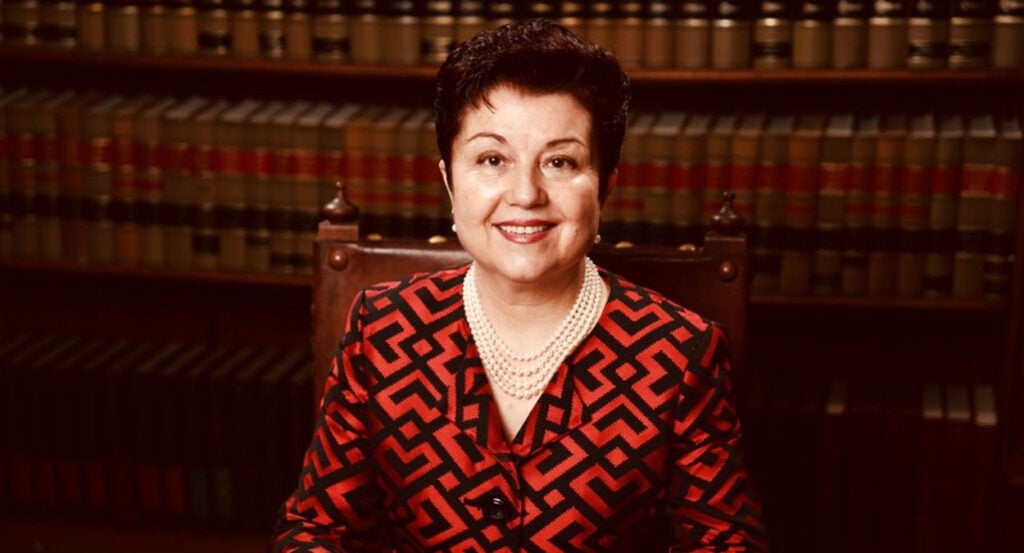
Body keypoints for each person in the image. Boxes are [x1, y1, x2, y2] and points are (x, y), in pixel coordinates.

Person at [273, 18, 767, 552]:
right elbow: (317, 531)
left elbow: (726, 544)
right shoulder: (383, 328)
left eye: (560, 161)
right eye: (492, 159)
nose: (525, 194)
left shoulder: (681, 352)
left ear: (604, 187)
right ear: (449, 181)